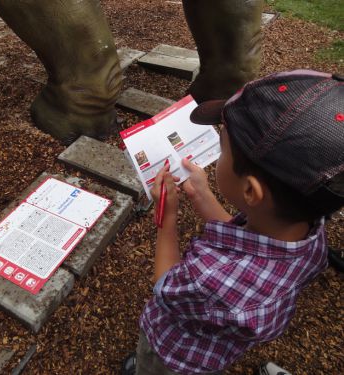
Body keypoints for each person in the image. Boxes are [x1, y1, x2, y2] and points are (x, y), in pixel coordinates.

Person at [122, 70, 344, 374]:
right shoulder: (309, 234)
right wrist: (203, 197)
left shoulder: (209, 278)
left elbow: (164, 284)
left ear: (250, 191)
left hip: (175, 356)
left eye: (222, 147)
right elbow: (246, 242)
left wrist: (168, 219)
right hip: (215, 352)